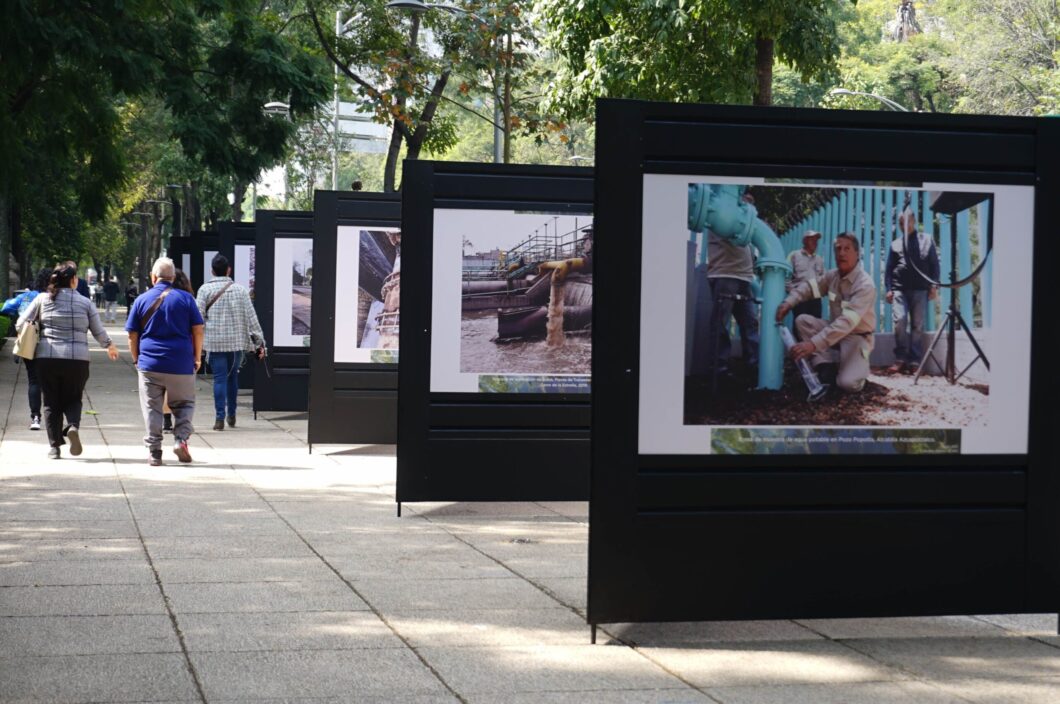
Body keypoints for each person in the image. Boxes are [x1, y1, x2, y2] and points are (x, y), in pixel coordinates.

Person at [16, 265, 120, 458]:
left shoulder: (42, 299)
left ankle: (54, 447)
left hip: (46, 358)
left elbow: (20, 323)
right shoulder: (85, 303)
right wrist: (109, 346)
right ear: (73, 281)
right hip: (77, 360)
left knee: (50, 401)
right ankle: (72, 425)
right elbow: (98, 330)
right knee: (73, 397)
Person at [775, 232, 878, 394]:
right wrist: (789, 302)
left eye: (847, 249)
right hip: (835, 331)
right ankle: (826, 367)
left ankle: (856, 366)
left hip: (857, 336)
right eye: (838, 249)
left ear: (857, 254)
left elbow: (847, 322)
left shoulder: (865, 284)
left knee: (848, 384)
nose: (841, 253)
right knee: (802, 320)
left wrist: (813, 344)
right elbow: (809, 288)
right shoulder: (832, 276)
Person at [127, 257, 203, 466]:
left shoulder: (141, 300)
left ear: (153, 277)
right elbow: (198, 330)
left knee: (152, 407)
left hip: (150, 363)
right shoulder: (187, 299)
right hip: (181, 363)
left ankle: (154, 451)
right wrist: (196, 358)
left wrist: (136, 359)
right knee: (184, 403)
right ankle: (181, 440)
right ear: (173, 277)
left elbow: (132, 335)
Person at [196, 253, 266, 430]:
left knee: (219, 379)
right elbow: (252, 318)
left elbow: (198, 319)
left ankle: (219, 418)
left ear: (212, 270)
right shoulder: (241, 290)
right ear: (229, 270)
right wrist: (260, 343)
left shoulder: (204, 290)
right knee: (232, 377)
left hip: (214, 343)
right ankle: (232, 415)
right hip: (236, 344)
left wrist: (196, 344)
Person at [705, 194, 759, 382]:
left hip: (744, 276)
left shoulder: (742, 215)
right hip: (724, 273)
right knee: (721, 324)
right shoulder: (723, 210)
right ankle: (718, 370)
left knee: (750, 324)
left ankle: (753, 367)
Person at [884, 208, 939, 374]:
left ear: (914, 221)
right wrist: (888, 289)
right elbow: (889, 269)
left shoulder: (927, 239)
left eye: (907, 222)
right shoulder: (895, 244)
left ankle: (915, 361)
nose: (904, 225)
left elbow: (934, 265)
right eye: (901, 223)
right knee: (899, 321)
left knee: (917, 325)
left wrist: (934, 285)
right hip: (899, 289)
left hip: (920, 290)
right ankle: (900, 358)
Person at [6, 268, 53, 430]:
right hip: (51, 344)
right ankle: (54, 416)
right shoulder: (54, 297)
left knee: (34, 381)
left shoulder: (26, 296)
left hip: (29, 342)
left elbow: (6, 308)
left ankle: (35, 417)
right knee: (51, 381)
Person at [786, 230, 825, 329]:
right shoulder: (794, 255)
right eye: (812, 239)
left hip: (815, 299)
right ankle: (797, 344)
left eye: (816, 240)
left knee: (815, 326)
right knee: (799, 326)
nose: (815, 242)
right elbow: (786, 277)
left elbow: (823, 278)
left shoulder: (819, 259)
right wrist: (793, 293)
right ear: (805, 241)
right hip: (800, 298)